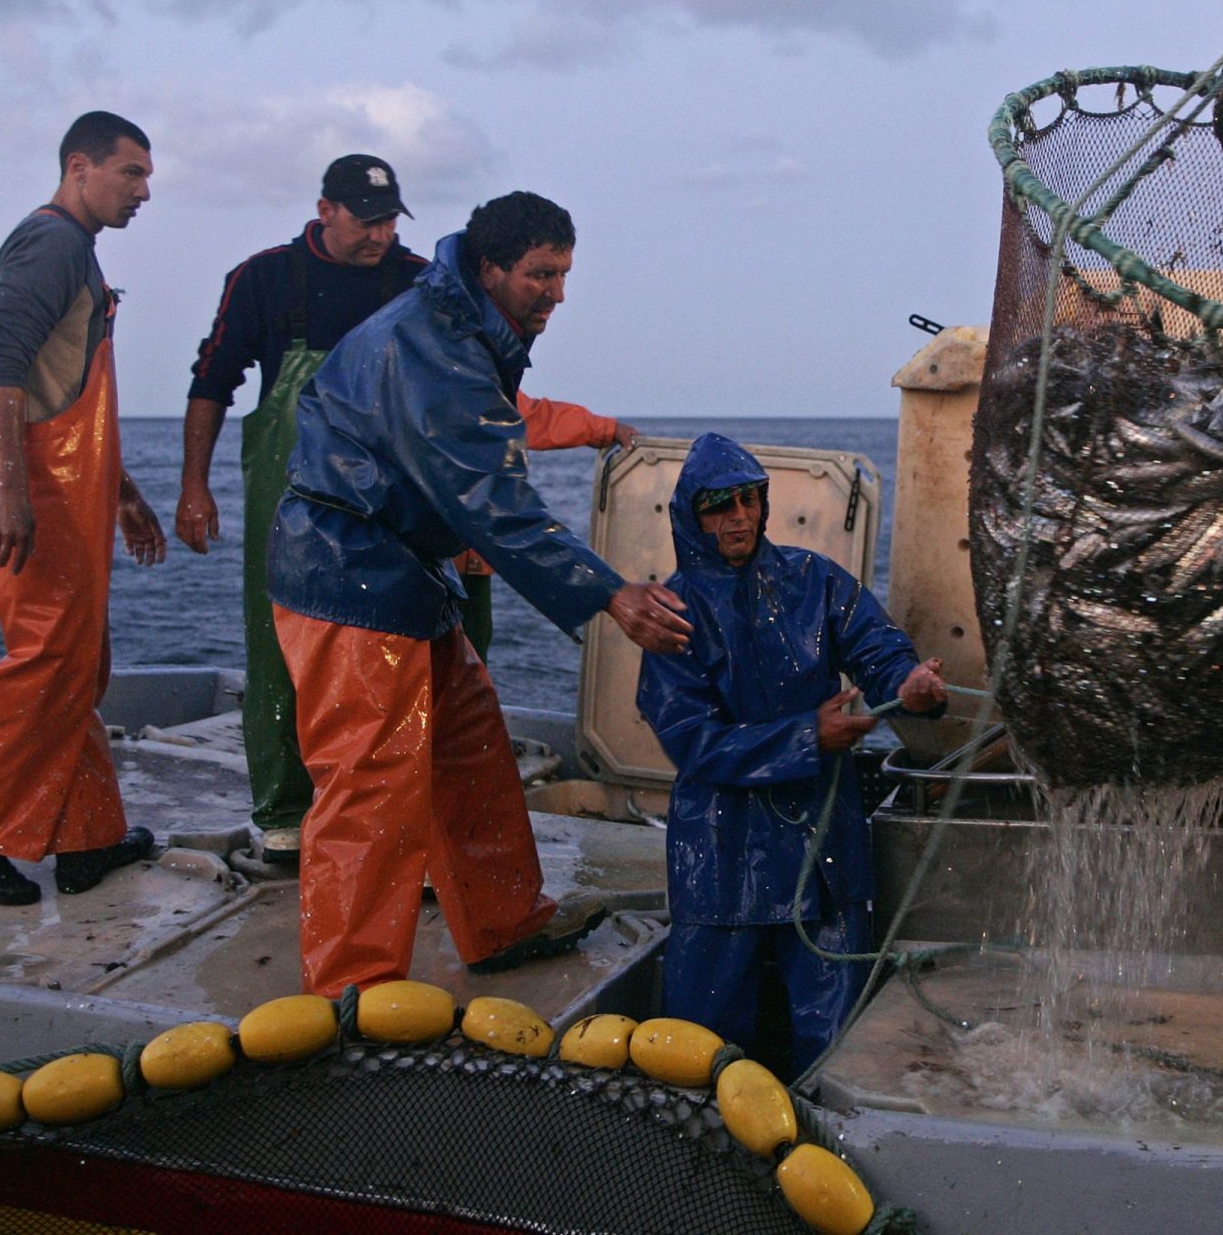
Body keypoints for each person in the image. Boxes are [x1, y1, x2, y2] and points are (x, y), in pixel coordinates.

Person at [266, 190, 690, 998]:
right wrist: (611, 594)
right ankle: (350, 991)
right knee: (369, 789)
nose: (557, 295)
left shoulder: (461, 326)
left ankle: (504, 922)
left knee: (472, 753)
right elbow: (494, 502)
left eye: (564, 275)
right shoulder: (432, 347)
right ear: (491, 268)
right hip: (348, 579)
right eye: (541, 275)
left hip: (403, 575)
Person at [177, 156, 633, 864]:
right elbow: (212, 381)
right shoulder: (270, 278)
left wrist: (600, 429)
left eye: (392, 219)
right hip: (329, 521)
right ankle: (289, 816)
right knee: (291, 672)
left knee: (456, 685)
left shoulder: (427, 285)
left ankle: (436, 846)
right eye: (367, 219)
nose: (381, 234)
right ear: (326, 209)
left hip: (423, 518)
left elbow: (490, 424)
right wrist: (193, 486)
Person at [637, 433, 948, 1074]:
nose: (740, 516)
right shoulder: (672, 612)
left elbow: (878, 651)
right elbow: (690, 740)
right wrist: (811, 737)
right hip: (719, 852)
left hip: (822, 846)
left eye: (750, 499)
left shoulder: (815, 580)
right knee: (699, 1047)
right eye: (720, 505)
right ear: (691, 518)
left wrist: (910, 687)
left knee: (834, 1043)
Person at [0, 111, 166, 906]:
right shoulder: (53, 244)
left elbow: (69, 386)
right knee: (47, 659)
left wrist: (124, 494)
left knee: (77, 660)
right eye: (130, 173)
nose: (143, 191)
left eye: (146, 176)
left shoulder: (77, 253)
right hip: (32, 489)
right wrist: (13, 494)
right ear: (79, 168)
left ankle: (88, 838)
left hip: (68, 490)